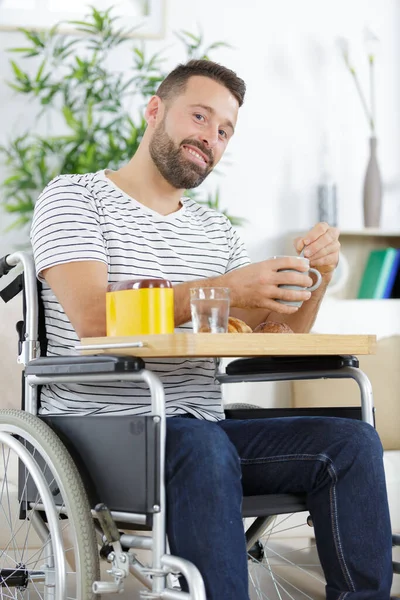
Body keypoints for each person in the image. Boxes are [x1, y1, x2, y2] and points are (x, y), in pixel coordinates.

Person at [30, 59, 393, 599]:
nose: (211, 138)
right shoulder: (75, 198)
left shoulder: (216, 232)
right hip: (100, 435)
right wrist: (224, 290)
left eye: (224, 131)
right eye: (199, 116)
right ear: (154, 111)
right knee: (202, 444)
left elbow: (276, 341)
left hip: (201, 431)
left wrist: (318, 278)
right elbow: (92, 319)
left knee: (352, 442)